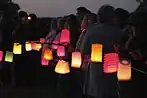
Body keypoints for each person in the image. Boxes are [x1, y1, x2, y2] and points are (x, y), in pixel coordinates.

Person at [80, 5, 121, 98]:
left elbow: (83, 50)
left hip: (95, 69)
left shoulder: (91, 31)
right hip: (113, 70)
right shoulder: (118, 31)